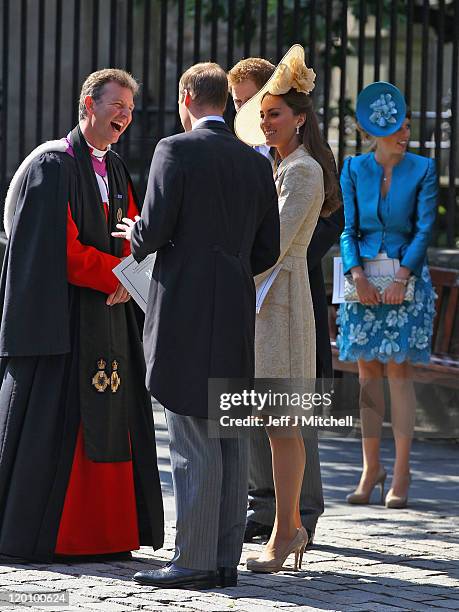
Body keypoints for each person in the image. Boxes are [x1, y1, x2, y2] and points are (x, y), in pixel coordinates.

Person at [113, 62, 280, 589]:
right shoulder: (255, 163)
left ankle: (193, 559)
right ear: (226, 103)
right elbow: (267, 249)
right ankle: (224, 558)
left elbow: (156, 227)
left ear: (187, 97)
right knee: (227, 433)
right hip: (234, 308)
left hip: (185, 308)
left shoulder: (174, 149)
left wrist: (135, 231)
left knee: (190, 434)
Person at [0, 69, 164, 562]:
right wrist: (118, 277)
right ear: (89, 104)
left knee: (114, 418)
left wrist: (131, 273)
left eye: (131, 109)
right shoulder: (52, 165)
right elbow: (61, 250)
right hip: (64, 322)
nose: (126, 116)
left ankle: (110, 533)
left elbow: (132, 231)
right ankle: (56, 535)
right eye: (118, 106)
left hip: (109, 318)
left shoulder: (114, 168)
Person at [228, 56, 344, 548]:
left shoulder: (302, 170)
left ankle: (290, 527)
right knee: (265, 419)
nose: (264, 122)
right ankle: (279, 524)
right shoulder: (278, 166)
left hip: (282, 300)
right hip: (261, 297)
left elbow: (271, 245)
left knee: (284, 422)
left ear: (299, 117)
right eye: (260, 113)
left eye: (274, 113)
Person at [337, 82, 437, 509]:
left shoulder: (423, 168)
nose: (403, 134)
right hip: (363, 284)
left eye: (406, 126)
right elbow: (348, 229)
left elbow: (424, 228)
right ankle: (369, 467)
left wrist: (402, 276)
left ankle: (400, 472)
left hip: (406, 282)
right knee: (367, 377)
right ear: (372, 131)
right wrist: (356, 273)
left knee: (398, 374)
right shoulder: (354, 168)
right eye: (395, 127)